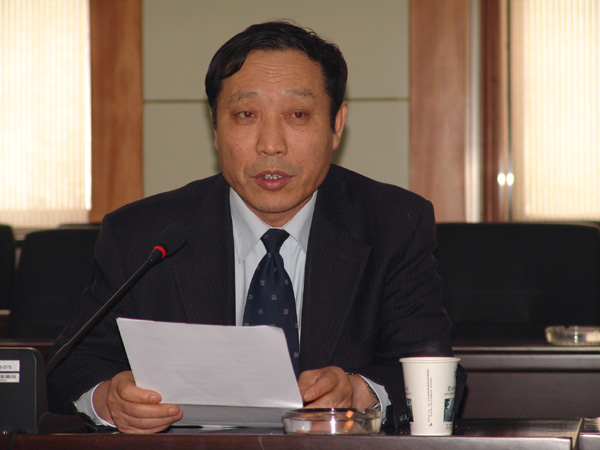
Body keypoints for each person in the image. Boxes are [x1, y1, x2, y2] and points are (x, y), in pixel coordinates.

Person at [47, 20, 464, 434]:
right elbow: (68, 368)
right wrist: (109, 399)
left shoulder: (393, 224)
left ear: (336, 124)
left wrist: (358, 393)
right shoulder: (142, 234)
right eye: (246, 115)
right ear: (216, 127)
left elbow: (437, 375)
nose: (270, 144)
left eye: (297, 114)